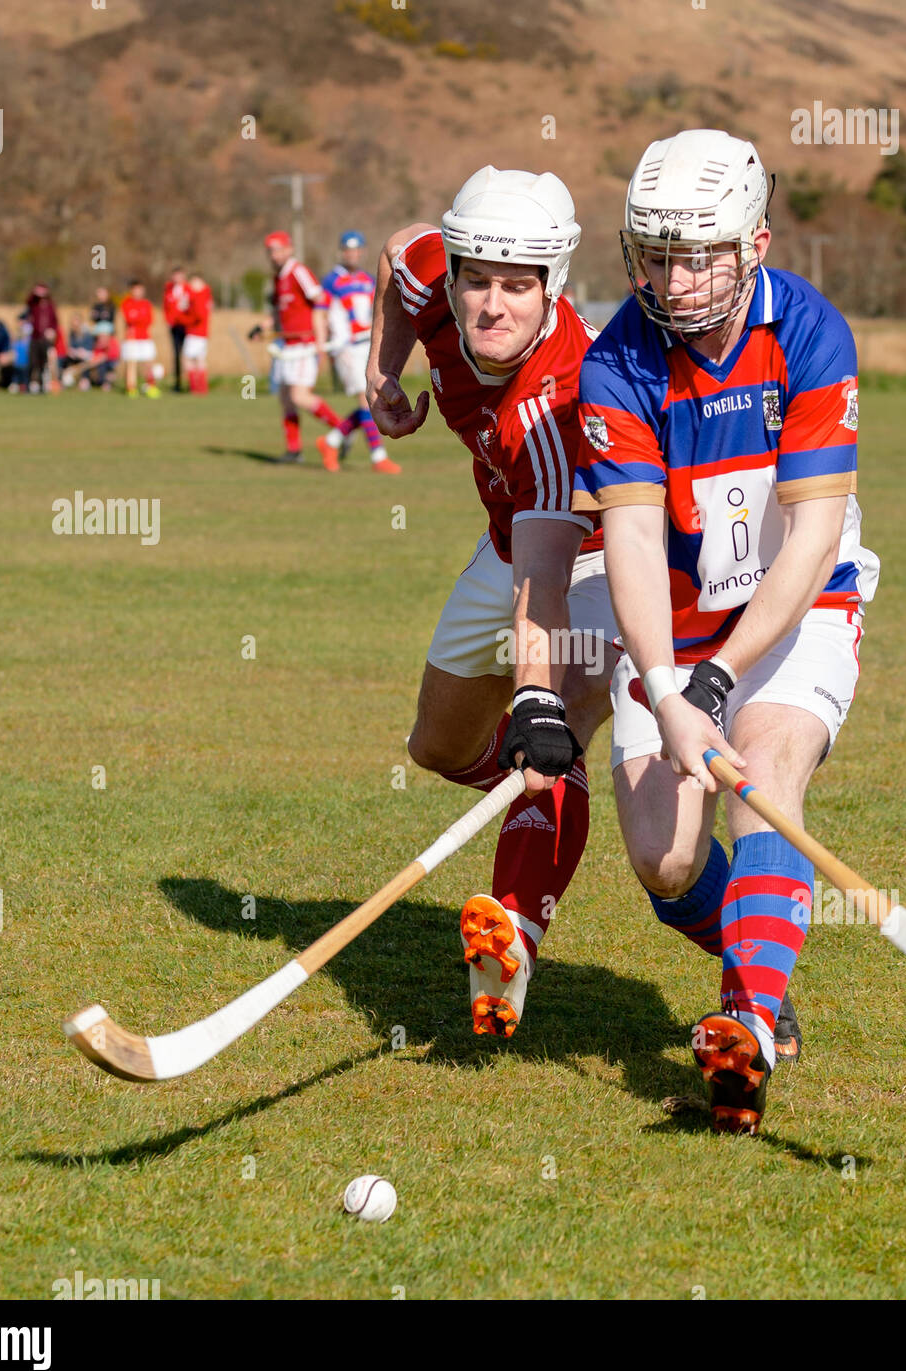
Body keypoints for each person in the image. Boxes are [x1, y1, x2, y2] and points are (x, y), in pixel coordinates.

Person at [572, 129, 879, 1134]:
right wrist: (666, 687)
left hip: (796, 607)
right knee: (665, 862)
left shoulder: (808, 330)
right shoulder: (617, 359)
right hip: (669, 622)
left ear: (753, 243)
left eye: (697, 252)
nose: (676, 276)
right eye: (656, 253)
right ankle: (758, 960)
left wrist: (721, 683)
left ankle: (742, 1025)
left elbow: (811, 535)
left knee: (767, 774)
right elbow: (626, 537)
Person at [367, 167, 615, 1037]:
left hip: (588, 553)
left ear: (554, 284)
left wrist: (538, 702)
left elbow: (547, 578)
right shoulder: (431, 273)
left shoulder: (557, 393)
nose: (493, 305)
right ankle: (549, 786)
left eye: (519, 286)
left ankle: (519, 910)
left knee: (553, 716)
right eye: (478, 280)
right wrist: (383, 377)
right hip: (507, 537)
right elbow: (399, 259)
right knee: (436, 747)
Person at [262, 230, 350, 464]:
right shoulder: (277, 278)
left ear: (289, 249)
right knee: (285, 398)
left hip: (305, 345)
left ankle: (343, 429)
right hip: (286, 345)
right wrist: (263, 326)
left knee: (300, 396)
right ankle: (294, 451)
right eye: (271, 251)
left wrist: (321, 340)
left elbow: (320, 301)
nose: (275, 255)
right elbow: (281, 313)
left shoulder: (298, 271)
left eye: (279, 249)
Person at [322, 231, 398, 473]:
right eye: (347, 250)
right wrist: (323, 344)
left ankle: (331, 441)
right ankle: (378, 457)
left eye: (356, 250)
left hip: (366, 345)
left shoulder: (368, 279)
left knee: (370, 401)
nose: (352, 254)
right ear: (341, 252)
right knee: (366, 401)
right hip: (346, 349)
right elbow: (320, 314)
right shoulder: (331, 281)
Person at [120, 278, 161, 397]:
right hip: (131, 339)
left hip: (145, 338)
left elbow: (149, 320)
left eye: (141, 289)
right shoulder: (126, 303)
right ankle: (131, 388)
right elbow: (129, 319)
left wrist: (138, 318)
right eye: (136, 289)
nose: (139, 292)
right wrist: (139, 318)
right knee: (131, 363)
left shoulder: (146, 304)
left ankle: (151, 387)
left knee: (148, 363)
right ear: (131, 290)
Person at [24, 284, 59, 393]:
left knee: (44, 364)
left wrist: (52, 331)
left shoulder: (50, 306)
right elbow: (28, 302)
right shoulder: (34, 304)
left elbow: (55, 322)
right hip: (35, 338)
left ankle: (43, 386)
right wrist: (34, 293)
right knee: (32, 363)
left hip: (45, 340)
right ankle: (29, 385)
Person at [182, 272, 212, 394]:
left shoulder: (199, 296)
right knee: (199, 359)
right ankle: (201, 387)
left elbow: (199, 315)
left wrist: (184, 319)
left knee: (188, 359)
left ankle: (196, 387)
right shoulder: (205, 295)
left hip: (195, 333)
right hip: (202, 333)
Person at [163, 267, 191, 391]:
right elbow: (166, 307)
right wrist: (168, 320)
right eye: (175, 275)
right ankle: (178, 383)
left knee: (188, 354)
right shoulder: (169, 289)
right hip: (174, 326)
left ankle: (191, 384)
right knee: (176, 355)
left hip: (186, 326)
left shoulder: (189, 289)